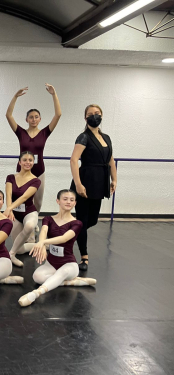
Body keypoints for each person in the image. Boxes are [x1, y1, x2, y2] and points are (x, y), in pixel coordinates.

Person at [18, 189, 96, 307]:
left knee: (62, 272)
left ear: (75, 203)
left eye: (72, 200)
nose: (68, 202)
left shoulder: (77, 223)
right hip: (52, 263)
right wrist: (42, 244)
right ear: (58, 201)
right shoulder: (48, 219)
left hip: (69, 264)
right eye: (65, 199)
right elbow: (43, 231)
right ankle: (72, 282)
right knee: (37, 277)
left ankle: (36, 293)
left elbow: (64, 238)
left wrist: (43, 242)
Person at [6, 84, 61, 242]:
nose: (34, 119)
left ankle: (32, 221)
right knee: (21, 198)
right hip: (22, 172)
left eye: (36, 117)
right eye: (31, 117)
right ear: (26, 119)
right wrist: (15, 97)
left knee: (37, 201)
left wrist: (54, 94)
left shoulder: (45, 132)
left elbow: (58, 114)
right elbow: (8, 116)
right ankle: (23, 225)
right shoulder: (21, 133)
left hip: (39, 171)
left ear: (40, 119)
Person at [70, 104, 117, 271]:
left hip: (100, 181)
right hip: (86, 179)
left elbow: (111, 160)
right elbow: (74, 160)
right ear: (85, 118)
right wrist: (78, 184)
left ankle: (69, 232)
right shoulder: (83, 137)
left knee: (93, 220)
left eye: (97, 113)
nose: (94, 116)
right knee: (82, 219)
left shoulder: (107, 138)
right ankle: (84, 257)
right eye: (90, 114)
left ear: (102, 115)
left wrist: (114, 179)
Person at [4, 151, 41, 267]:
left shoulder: (36, 180)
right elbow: (8, 195)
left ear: (33, 163)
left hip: (29, 212)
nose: (27, 162)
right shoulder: (10, 177)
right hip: (15, 213)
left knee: (29, 226)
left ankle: (11, 254)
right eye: (25, 160)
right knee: (20, 249)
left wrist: (9, 208)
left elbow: (25, 197)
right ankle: (42, 245)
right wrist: (9, 210)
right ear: (19, 162)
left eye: (30, 160)